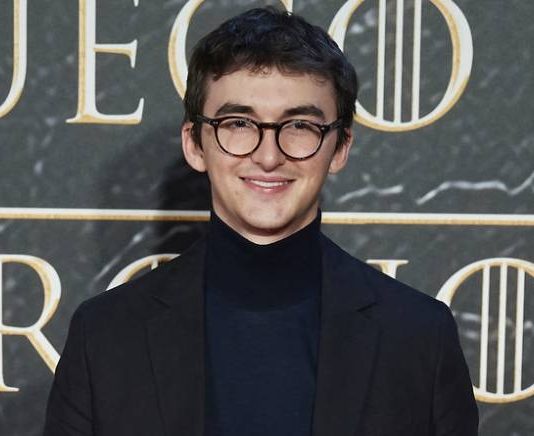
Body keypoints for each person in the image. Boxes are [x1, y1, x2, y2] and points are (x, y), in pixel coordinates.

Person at [43, 7, 478, 436]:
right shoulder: (105, 337)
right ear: (194, 143)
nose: (268, 156)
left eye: (300, 126)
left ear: (341, 147)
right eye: (238, 123)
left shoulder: (419, 337)